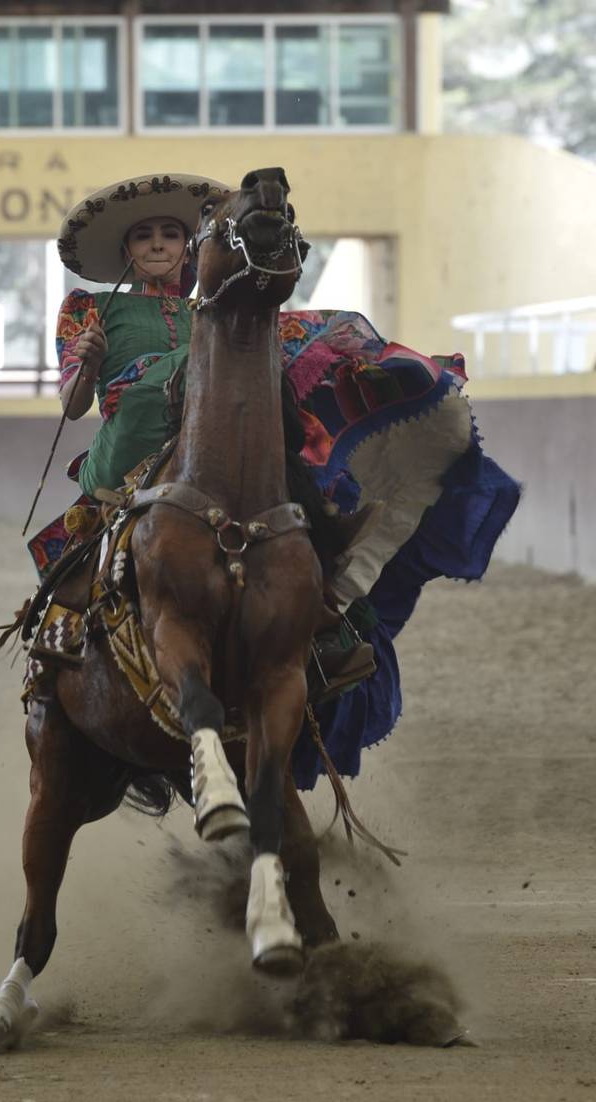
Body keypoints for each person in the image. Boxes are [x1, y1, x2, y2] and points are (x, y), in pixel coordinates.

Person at [31, 170, 520, 784]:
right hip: (130, 447)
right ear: (127, 249)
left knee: (292, 481)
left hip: (218, 440)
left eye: (170, 234)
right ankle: (57, 645)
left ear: (188, 246)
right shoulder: (90, 311)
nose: (158, 245)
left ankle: (327, 615)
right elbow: (73, 403)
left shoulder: (214, 302)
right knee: (90, 545)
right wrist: (91, 363)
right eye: (144, 236)